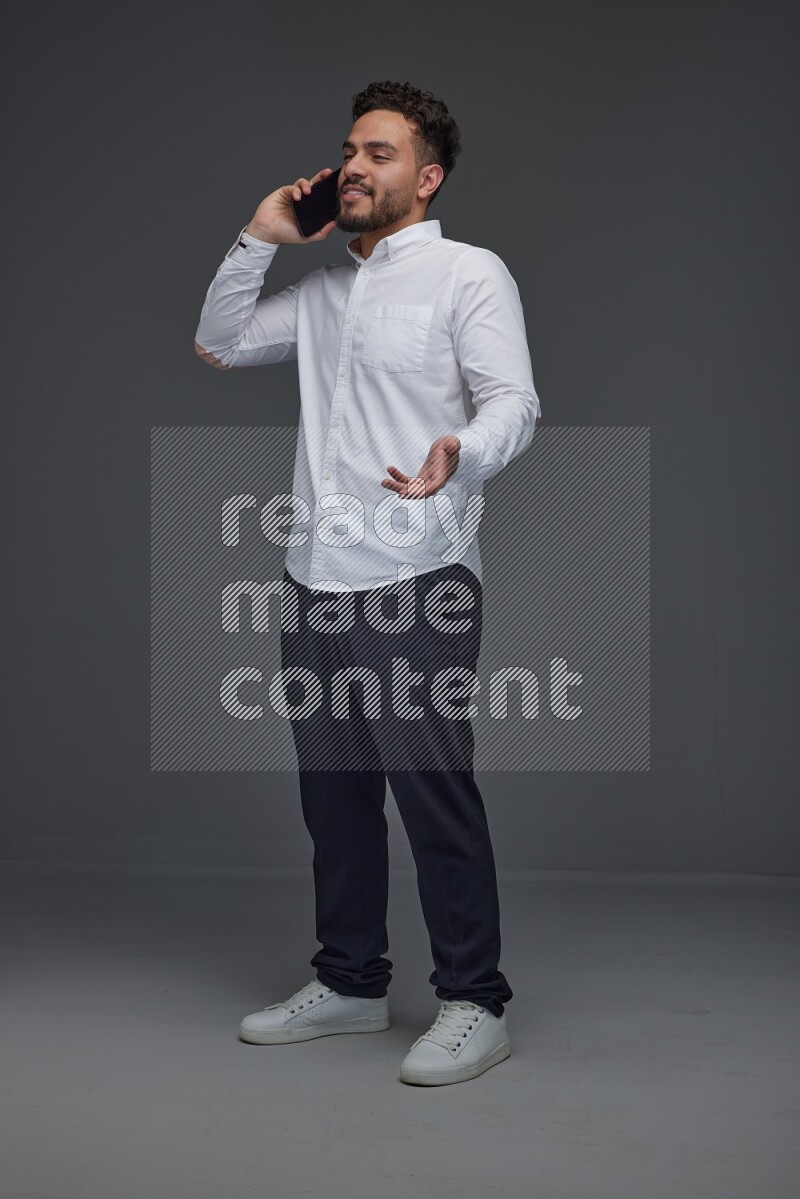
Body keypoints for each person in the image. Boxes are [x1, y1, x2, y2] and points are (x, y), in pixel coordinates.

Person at [194, 80, 542, 1086]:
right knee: (333, 797)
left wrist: (459, 453)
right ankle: (348, 980)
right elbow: (218, 341)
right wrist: (260, 234)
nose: (353, 165)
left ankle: (474, 999)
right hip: (313, 579)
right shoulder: (319, 291)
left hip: (415, 577)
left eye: (379, 152)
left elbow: (512, 402)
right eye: (349, 148)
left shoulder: (467, 274)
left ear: (425, 177)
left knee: (432, 794)